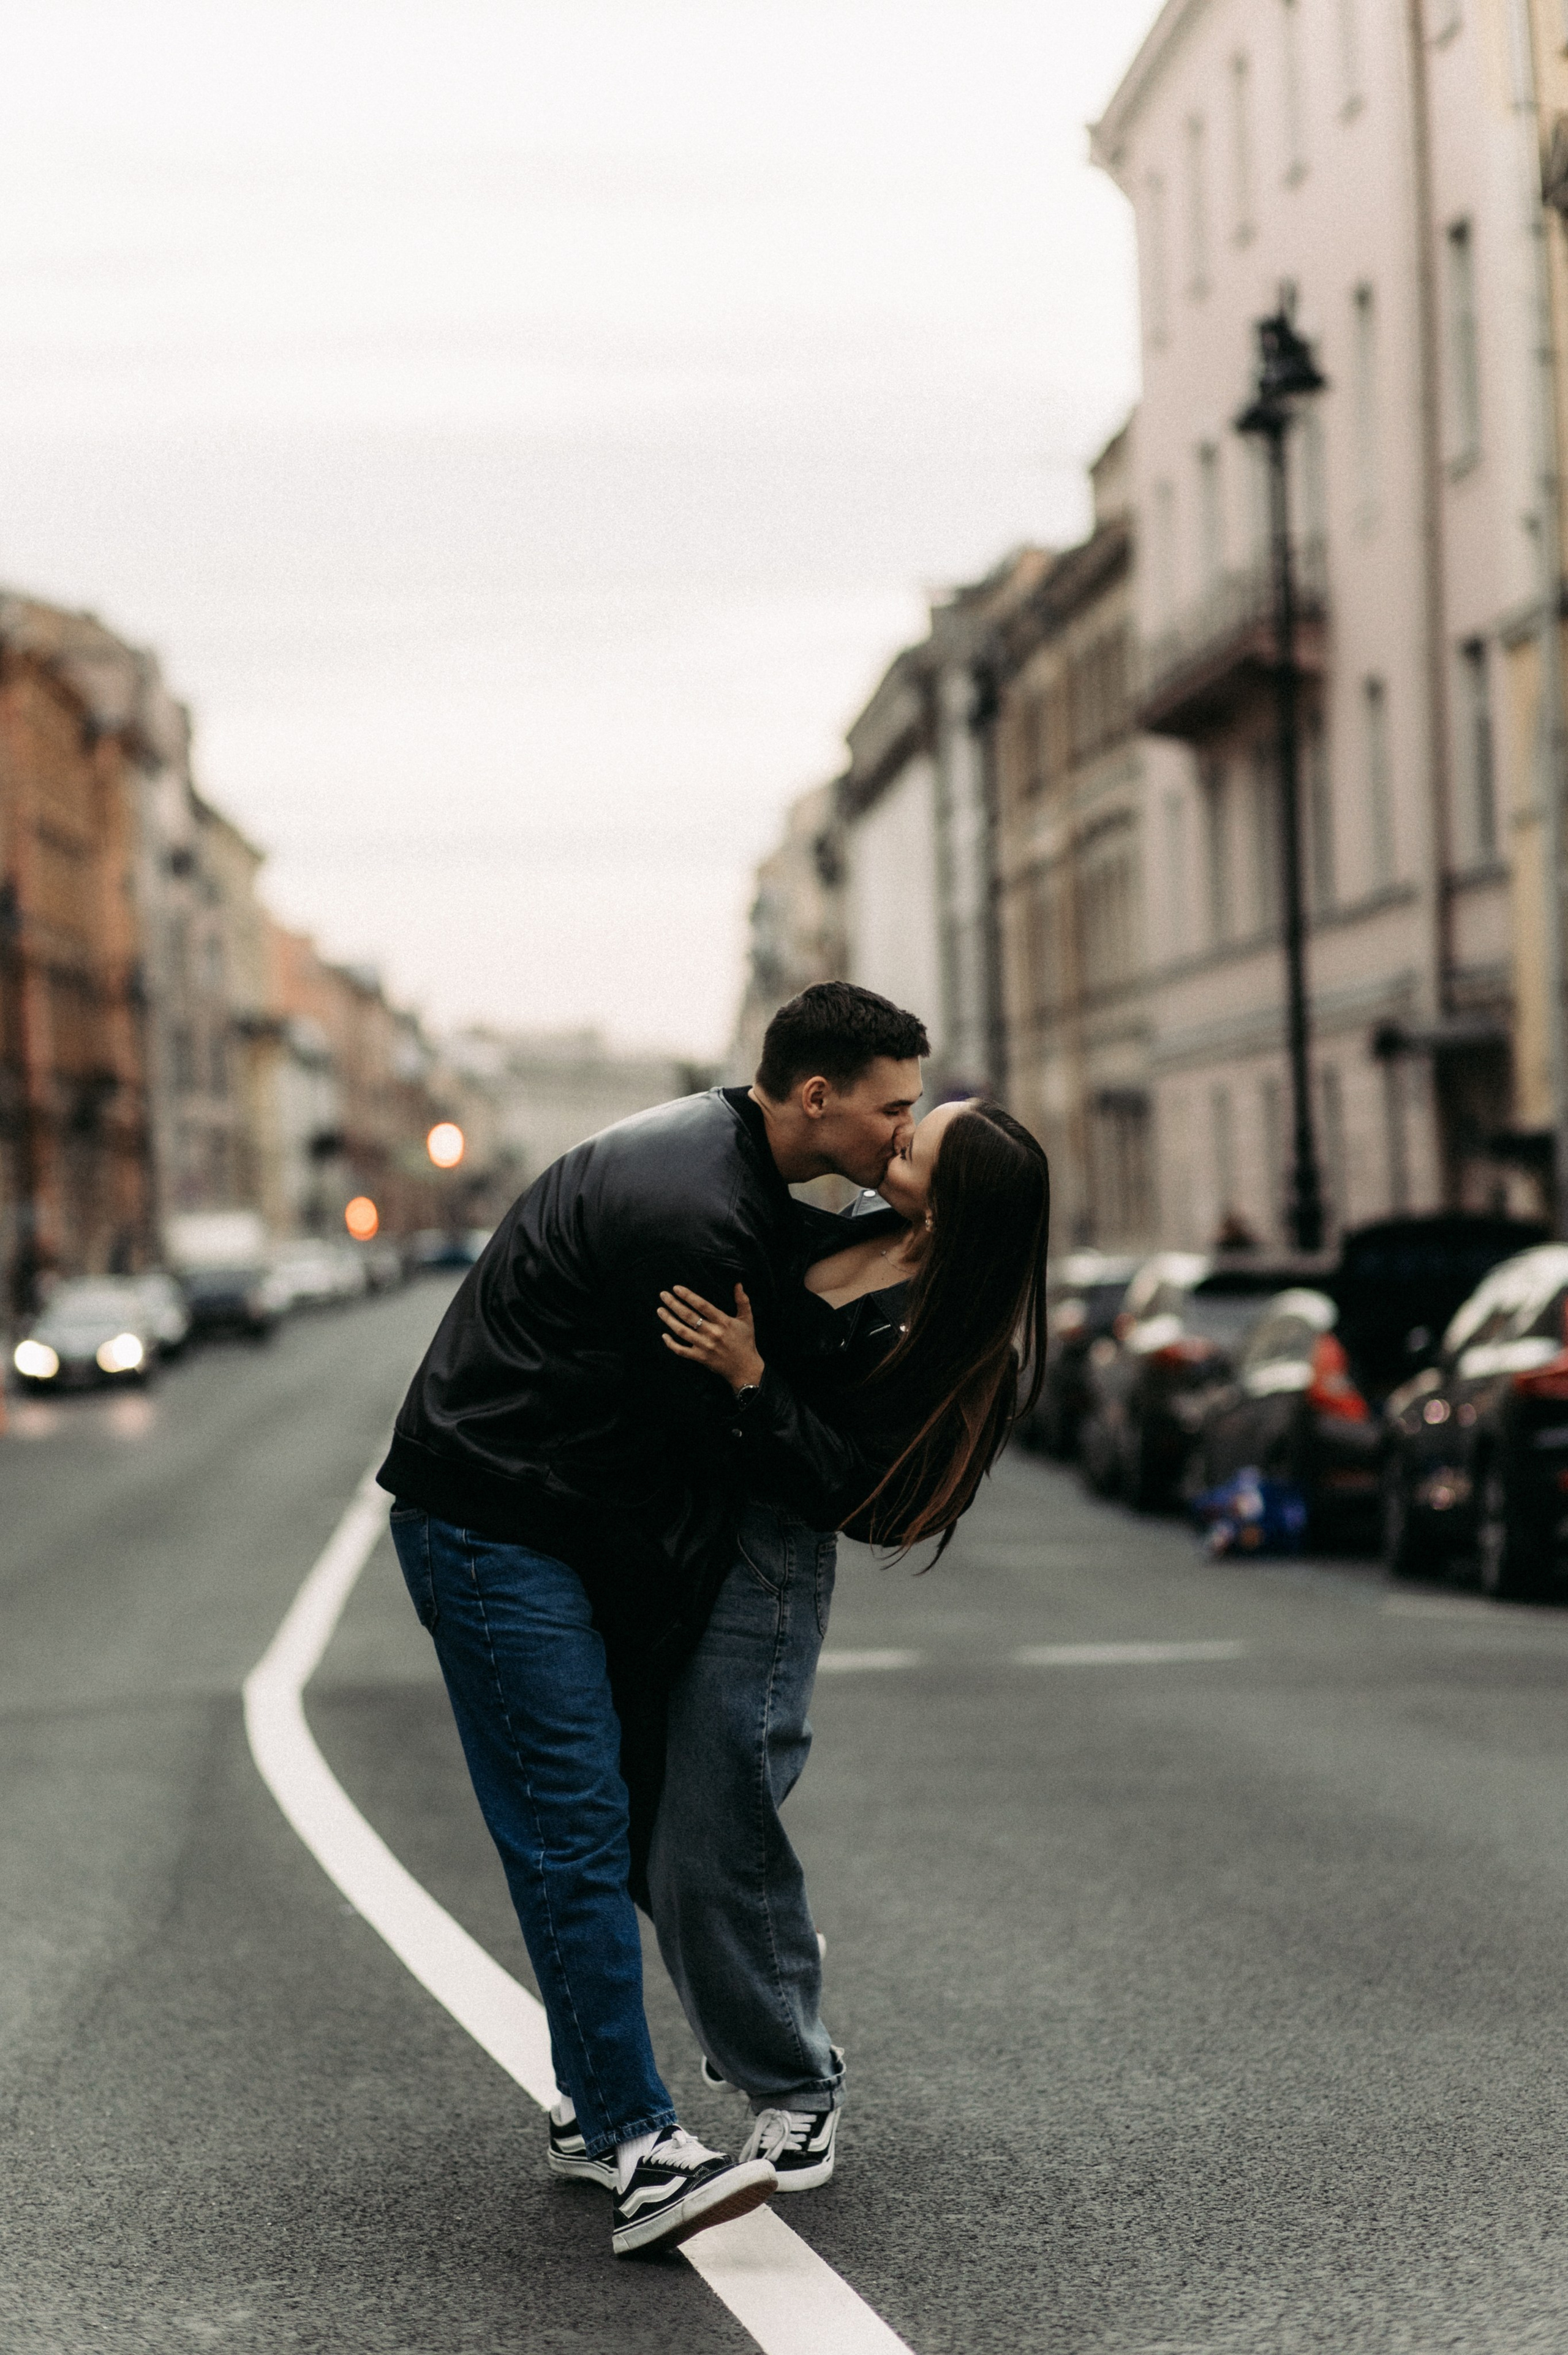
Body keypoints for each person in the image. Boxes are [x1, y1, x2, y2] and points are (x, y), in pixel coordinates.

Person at [375, 982, 928, 2257]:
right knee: (572, 1822)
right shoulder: (692, 1207)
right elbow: (748, 1433)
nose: (901, 1134)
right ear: (814, 1097)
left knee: (602, 1816)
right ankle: (636, 2144)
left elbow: (774, 1368)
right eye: (891, 1108)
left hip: (554, 1525)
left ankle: (591, 2106)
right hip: (493, 1523)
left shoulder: (732, 1174)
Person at [644, 1097, 1050, 2191]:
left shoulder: (951, 1324)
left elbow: (876, 1499)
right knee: (642, 1819)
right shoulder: (839, 1229)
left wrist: (753, 1382)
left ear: (962, 1197)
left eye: (930, 1136)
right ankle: (765, 1969)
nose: (907, 1128)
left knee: (715, 1814)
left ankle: (795, 2084)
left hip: (766, 1563)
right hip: (671, 1527)